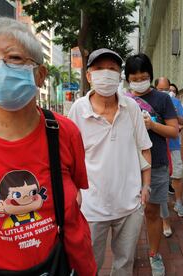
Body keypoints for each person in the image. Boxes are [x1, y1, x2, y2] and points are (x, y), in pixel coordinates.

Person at [0, 17, 96, 275]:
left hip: (58, 264)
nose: (0, 69)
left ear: (40, 74)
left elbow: (76, 197)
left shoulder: (63, 131)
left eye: (14, 58)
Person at [68, 48, 152, 276]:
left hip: (130, 204)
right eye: (99, 69)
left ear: (119, 76)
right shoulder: (78, 110)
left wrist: (146, 186)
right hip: (91, 206)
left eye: (112, 69)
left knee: (125, 263)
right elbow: (67, 157)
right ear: (88, 75)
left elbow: (144, 147)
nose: (106, 74)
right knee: (88, 265)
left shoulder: (131, 107)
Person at [124, 54, 179, 276]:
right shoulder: (121, 100)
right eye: (134, 78)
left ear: (151, 76)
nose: (139, 81)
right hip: (127, 166)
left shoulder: (162, 99)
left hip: (156, 164)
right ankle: (126, 255)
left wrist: (152, 125)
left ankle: (154, 255)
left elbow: (174, 130)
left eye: (144, 77)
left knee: (153, 212)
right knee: (127, 215)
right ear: (128, 79)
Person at [154, 78, 183, 238]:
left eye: (167, 89)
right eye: (161, 89)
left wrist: (176, 120)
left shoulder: (174, 101)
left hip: (173, 146)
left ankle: (179, 203)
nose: (165, 92)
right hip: (156, 148)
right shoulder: (149, 102)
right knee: (159, 183)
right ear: (155, 88)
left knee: (177, 176)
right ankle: (164, 219)